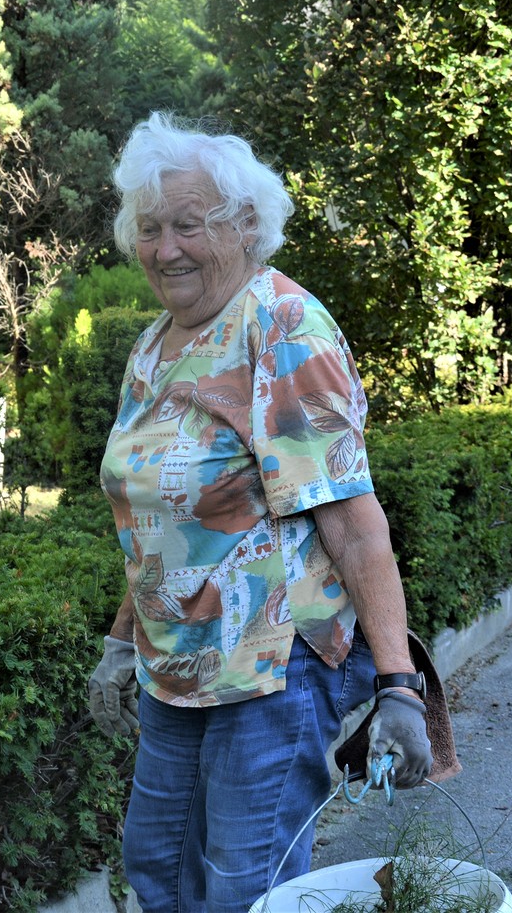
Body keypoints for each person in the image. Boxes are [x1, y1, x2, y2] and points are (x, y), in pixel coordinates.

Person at [87, 112, 432, 913]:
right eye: (150, 228)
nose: (165, 249)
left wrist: (399, 685)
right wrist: (120, 641)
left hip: (273, 668)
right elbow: (168, 526)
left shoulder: (282, 327)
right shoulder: (156, 346)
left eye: (188, 225)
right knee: (159, 869)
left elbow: (353, 523)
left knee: (247, 891)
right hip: (177, 665)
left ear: (246, 225)